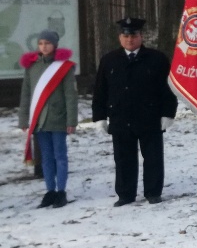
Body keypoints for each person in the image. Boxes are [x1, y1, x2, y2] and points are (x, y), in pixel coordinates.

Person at [92, 17, 178, 206]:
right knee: (123, 159)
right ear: (120, 37)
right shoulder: (109, 60)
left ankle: (153, 192)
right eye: (125, 35)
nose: (130, 39)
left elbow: (168, 89)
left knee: (153, 157)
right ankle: (125, 194)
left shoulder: (156, 58)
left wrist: (168, 113)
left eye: (134, 35)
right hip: (120, 117)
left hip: (150, 117)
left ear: (141, 36)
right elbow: (100, 90)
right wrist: (99, 117)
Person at [18, 30, 78, 208]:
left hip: (58, 118)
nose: (44, 46)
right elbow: (26, 94)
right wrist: (24, 119)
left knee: (60, 156)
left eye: (48, 43)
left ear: (55, 45)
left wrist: (71, 120)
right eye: (41, 43)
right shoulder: (32, 67)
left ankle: (61, 191)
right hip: (39, 120)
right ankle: (49, 191)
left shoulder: (64, 67)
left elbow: (70, 96)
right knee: (45, 157)